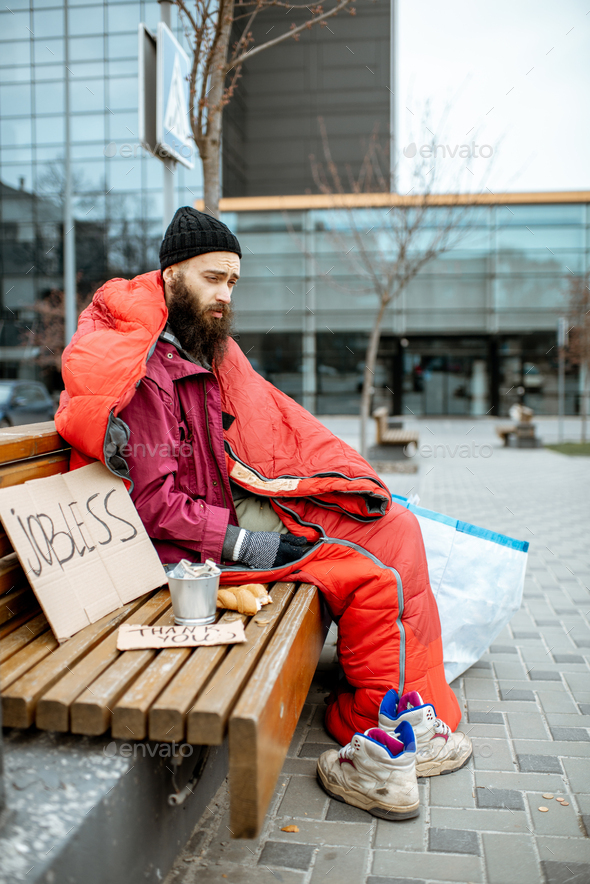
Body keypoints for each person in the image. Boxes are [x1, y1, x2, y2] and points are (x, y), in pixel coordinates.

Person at [56, 207, 471, 815]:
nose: (225, 294)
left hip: (224, 516)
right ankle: (379, 744)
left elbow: (253, 427)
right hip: (186, 557)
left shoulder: (190, 346)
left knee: (394, 525)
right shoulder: (145, 370)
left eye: (233, 282)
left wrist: (297, 481)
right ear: (171, 274)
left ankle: (404, 714)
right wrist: (243, 543)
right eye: (212, 278)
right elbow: (152, 505)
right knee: (368, 571)